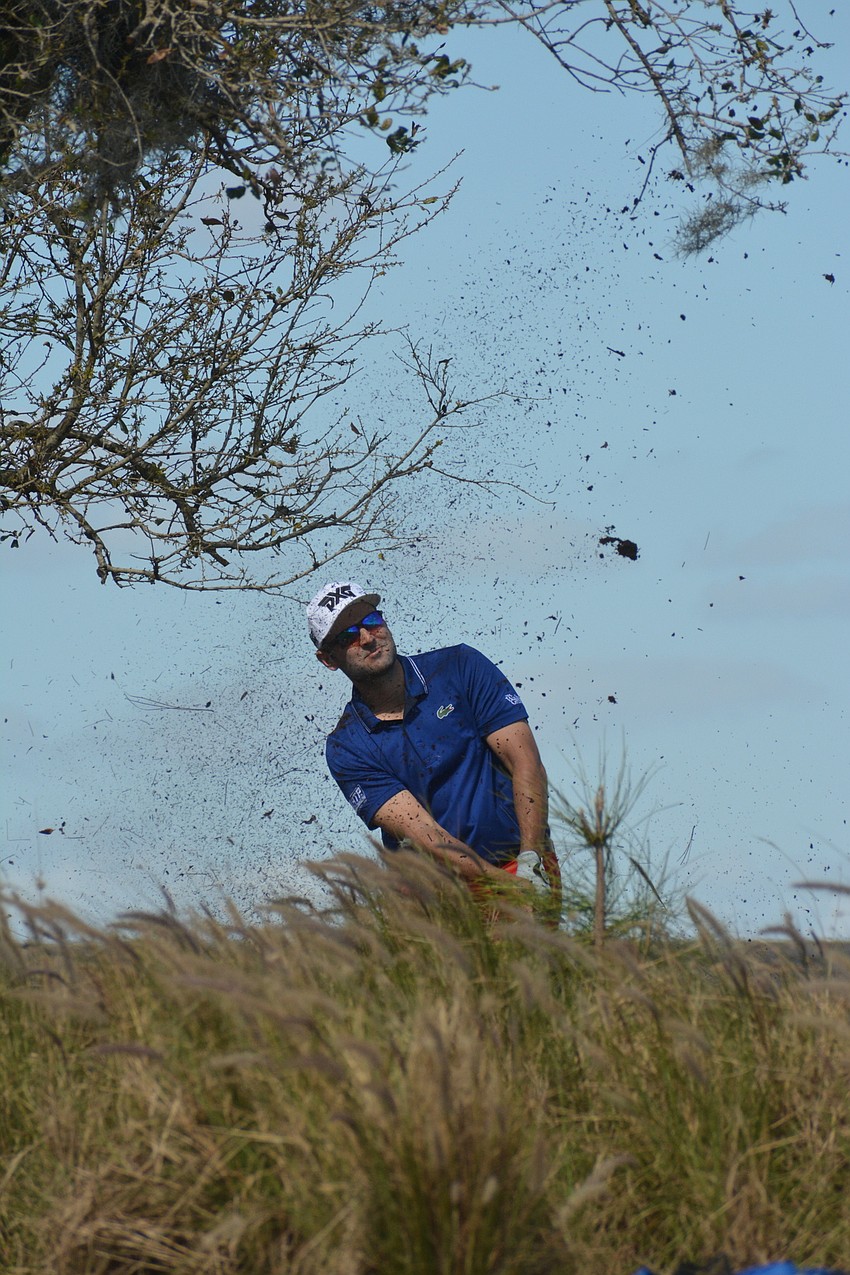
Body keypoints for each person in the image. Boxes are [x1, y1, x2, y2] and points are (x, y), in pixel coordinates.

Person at [306, 580, 561, 910]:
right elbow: (424, 834)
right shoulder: (346, 746)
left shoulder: (459, 666)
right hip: (441, 901)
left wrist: (531, 862)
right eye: (348, 636)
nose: (367, 638)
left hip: (524, 860)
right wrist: (506, 886)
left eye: (371, 621)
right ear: (328, 659)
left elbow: (524, 761)